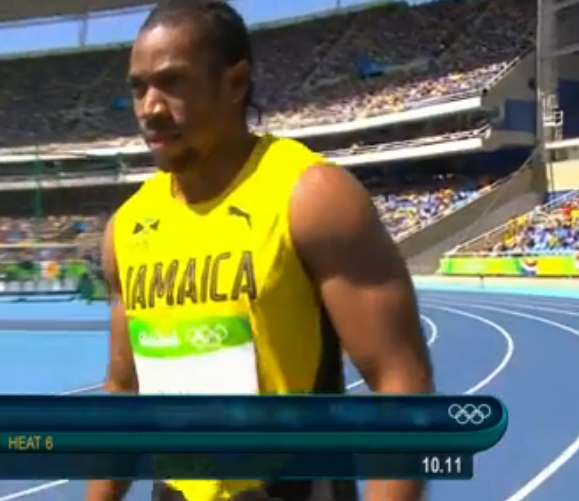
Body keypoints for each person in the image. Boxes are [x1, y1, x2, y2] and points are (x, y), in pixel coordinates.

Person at [86, 1, 435, 501]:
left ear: (234, 83)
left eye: (172, 82)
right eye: (138, 88)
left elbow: (400, 380)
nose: (149, 108)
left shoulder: (311, 198)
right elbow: (123, 392)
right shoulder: (127, 228)